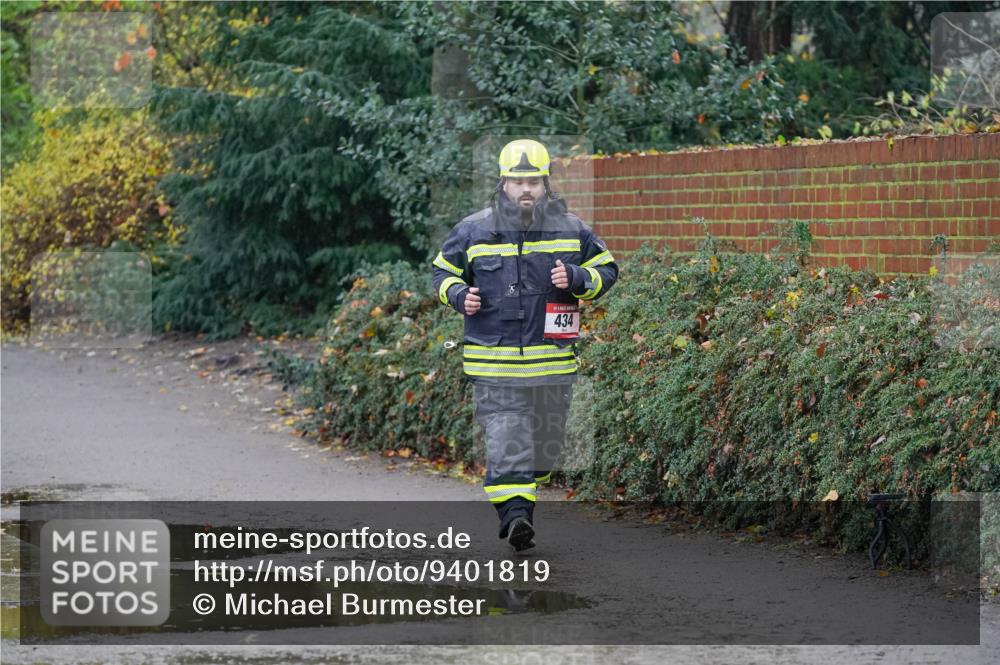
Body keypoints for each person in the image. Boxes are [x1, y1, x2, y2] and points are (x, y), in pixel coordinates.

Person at [431, 139, 619, 552]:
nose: (526, 188)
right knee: (506, 439)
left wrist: (577, 278)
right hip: (495, 365)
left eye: (533, 179)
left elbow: (607, 268)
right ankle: (516, 516)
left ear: (546, 183)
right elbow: (441, 275)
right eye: (518, 181)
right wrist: (460, 295)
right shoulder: (472, 230)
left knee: (544, 452)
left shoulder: (571, 229)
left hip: (553, 364)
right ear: (503, 183)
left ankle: (527, 488)